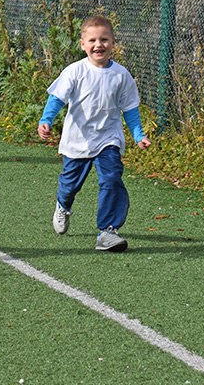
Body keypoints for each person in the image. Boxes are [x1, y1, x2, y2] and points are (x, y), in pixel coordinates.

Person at [37, 15, 151, 252]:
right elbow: (57, 98)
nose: (98, 45)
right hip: (77, 141)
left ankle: (107, 231)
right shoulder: (75, 71)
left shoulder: (122, 75)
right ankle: (63, 205)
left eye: (104, 40)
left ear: (113, 42)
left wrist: (138, 135)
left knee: (111, 179)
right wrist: (46, 120)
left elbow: (130, 108)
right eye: (92, 40)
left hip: (108, 140)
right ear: (83, 44)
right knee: (70, 185)